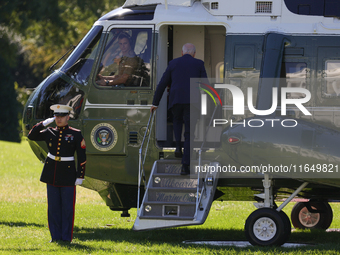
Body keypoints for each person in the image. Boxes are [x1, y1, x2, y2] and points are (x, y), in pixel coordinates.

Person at [27, 104, 86, 243]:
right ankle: (55, 237)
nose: (58, 119)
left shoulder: (76, 134)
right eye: (56, 116)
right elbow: (32, 136)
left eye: (61, 116)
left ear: (67, 117)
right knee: (53, 208)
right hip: (51, 173)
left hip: (68, 174)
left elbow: (82, 157)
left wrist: (80, 176)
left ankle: (66, 238)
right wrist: (43, 123)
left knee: (67, 209)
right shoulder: (49, 132)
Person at [150, 43, 207, 175]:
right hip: (192, 102)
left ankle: (177, 148)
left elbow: (162, 83)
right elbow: (205, 85)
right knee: (189, 134)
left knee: (177, 121)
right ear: (194, 53)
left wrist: (155, 103)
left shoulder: (173, 63)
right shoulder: (199, 64)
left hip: (176, 100)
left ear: (182, 53)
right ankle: (185, 166)